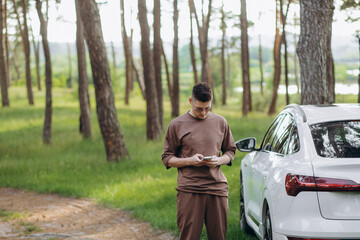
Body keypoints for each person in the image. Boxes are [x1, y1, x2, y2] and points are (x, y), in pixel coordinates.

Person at [162, 82, 236, 240]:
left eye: (207, 108)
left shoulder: (221, 122)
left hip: (217, 188)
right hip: (190, 189)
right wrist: (190, 160)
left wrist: (219, 160)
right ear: (190, 101)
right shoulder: (176, 125)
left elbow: (230, 151)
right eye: (199, 109)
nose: (203, 113)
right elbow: (167, 159)